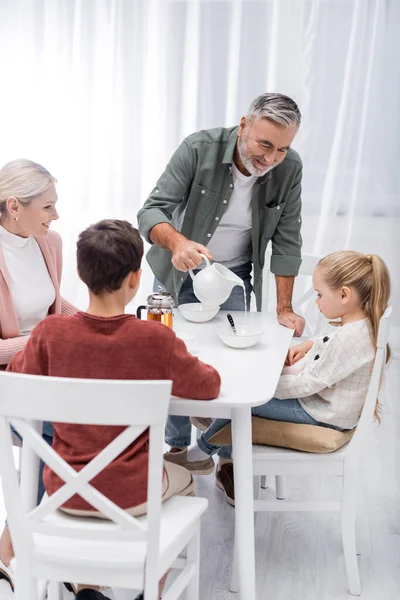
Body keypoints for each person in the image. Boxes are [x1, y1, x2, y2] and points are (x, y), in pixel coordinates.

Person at [7, 219, 221, 600]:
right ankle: (149, 587)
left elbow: (20, 386)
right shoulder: (155, 338)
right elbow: (208, 387)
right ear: (136, 279)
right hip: (131, 493)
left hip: (62, 494)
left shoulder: (49, 334)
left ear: (79, 273)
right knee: (188, 481)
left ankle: (86, 586)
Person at [137, 92, 306, 472]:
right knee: (166, 360)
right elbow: (151, 210)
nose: (270, 158)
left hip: (234, 277)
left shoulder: (289, 168)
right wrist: (178, 243)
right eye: (265, 144)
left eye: (282, 149)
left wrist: (284, 308)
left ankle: (226, 458)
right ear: (244, 125)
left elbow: (288, 240)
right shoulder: (199, 148)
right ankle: (177, 449)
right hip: (176, 270)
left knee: (235, 365)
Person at [184, 251, 391, 506]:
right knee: (245, 392)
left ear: (344, 295)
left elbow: (308, 384)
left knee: (246, 401)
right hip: (323, 406)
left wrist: (266, 386)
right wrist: (310, 344)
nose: (316, 301)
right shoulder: (356, 326)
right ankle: (216, 426)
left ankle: (201, 452)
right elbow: (330, 344)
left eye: (319, 294)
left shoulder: (351, 339)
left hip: (322, 415)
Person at [0, 158, 77, 590]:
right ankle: (28, 543)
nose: (56, 216)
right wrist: (41, 341)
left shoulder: (49, 243)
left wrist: (96, 323)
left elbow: (55, 304)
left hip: (48, 365)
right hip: (9, 375)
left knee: (82, 428)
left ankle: (15, 543)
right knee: (65, 437)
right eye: (47, 207)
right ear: (14, 206)